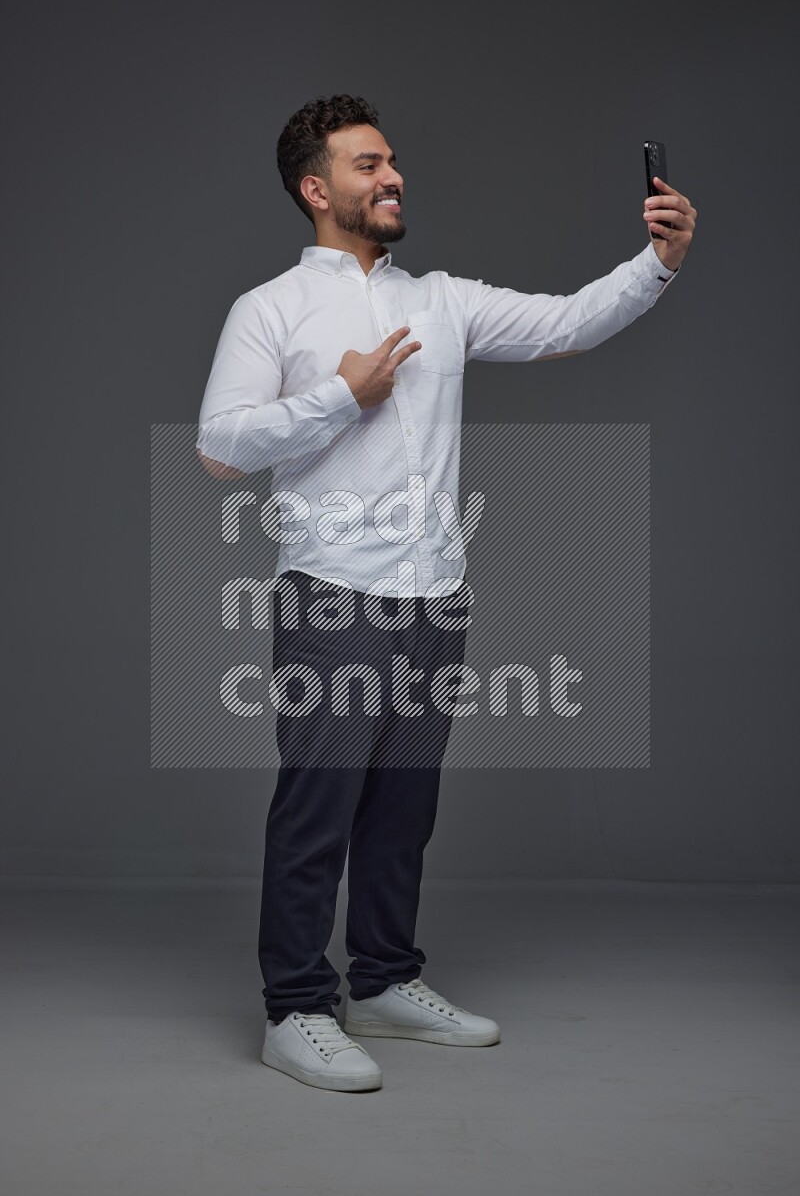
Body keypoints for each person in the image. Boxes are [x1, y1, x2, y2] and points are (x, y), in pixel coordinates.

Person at [195, 94, 697, 1093]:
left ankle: (383, 979)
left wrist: (658, 262)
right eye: (367, 164)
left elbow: (565, 323)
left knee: (401, 808)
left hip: (435, 598)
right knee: (317, 808)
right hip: (331, 595)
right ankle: (295, 1006)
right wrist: (340, 396)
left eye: (392, 162)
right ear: (315, 188)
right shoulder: (271, 309)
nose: (392, 177)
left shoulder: (442, 300)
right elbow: (219, 447)